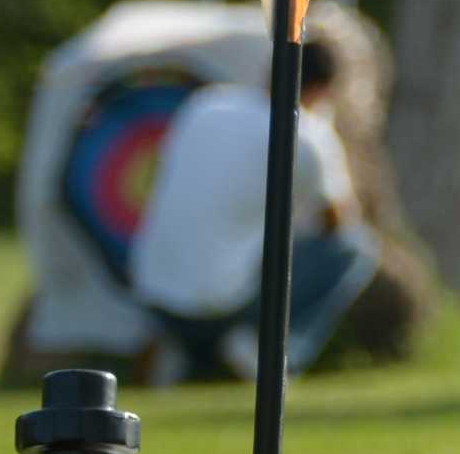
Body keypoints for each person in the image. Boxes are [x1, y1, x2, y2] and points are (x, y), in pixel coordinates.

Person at [129, 43, 382, 384]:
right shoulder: (311, 134)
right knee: (356, 248)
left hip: (149, 288)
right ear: (323, 89)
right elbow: (339, 223)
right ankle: (270, 349)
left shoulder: (208, 102)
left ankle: (185, 349)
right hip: (221, 306)